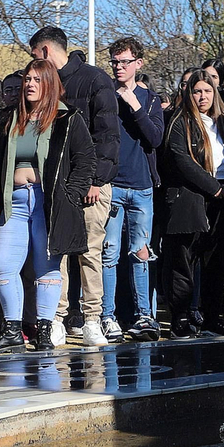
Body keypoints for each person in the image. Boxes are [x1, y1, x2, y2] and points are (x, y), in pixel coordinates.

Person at [0, 57, 95, 352]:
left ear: (50, 85)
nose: (30, 85)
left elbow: (85, 158)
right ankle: (13, 331)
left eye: (37, 80)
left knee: (46, 267)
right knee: (3, 265)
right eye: (27, 80)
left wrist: (72, 193)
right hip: (13, 202)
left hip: (48, 203)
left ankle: (44, 330)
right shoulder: (8, 119)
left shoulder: (67, 119)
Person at [28, 26, 118, 347]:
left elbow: (107, 134)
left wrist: (96, 179)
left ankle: (93, 318)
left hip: (92, 183)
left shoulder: (94, 80)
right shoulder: (43, 85)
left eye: (35, 56)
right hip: (55, 186)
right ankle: (57, 318)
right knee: (58, 254)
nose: (33, 68)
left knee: (91, 253)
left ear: (46, 52)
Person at [160, 70, 224, 337]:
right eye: (197, 91)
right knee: (183, 261)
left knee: (216, 261)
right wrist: (213, 187)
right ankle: (180, 320)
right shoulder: (181, 121)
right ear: (188, 93)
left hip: (223, 198)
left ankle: (212, 318)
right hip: (190, 197)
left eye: (207, 91)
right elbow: (182, 160)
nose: (202, 96)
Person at [99, 37, 165, 344]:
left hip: (141, 187)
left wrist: (133, 103)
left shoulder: (151, 99)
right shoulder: (103, 96)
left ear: (138, 63)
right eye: (114, 61)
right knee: (108, 253)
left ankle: (144, 316)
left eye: (125, 61)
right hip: (112, 185)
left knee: (141, 253)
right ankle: (107, 316)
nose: (119, 67)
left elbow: (154, 138)